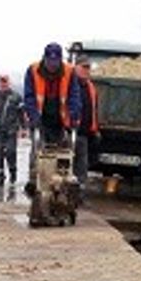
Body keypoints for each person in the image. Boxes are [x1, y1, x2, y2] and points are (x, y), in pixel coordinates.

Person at [22, 42, 82, 194]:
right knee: (38, 150)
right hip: (40, 118)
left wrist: (74, 115)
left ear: (60, 60)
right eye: (50, 62)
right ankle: (34, 180)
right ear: (45, 59)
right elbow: (29, 96)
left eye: (56, 62)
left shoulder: (69, 71)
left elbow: (74, 95)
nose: (53, 66)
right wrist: (33, 115)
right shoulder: (33, 70)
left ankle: (63, 183)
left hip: (60, 119)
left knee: (63, 153)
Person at [0, 73, 24, 187]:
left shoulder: (16, 97)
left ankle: (13, 172)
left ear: (8, 83)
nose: (3, 84)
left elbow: (21, 113)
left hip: (12, 129)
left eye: (5, 82)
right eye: (1, 82)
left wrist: (23, 127)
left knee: (11, 152)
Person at [72, 54, 99, 190]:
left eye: (88, 67)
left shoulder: (91, 87)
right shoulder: (69, 84)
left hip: (84, 134)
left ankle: (79, 195)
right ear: (75, 67)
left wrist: (94, 131)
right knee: (66, 166)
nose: (87, 70)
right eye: (84, 67)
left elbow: (94, 109)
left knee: (82, 168)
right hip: (68, 133)